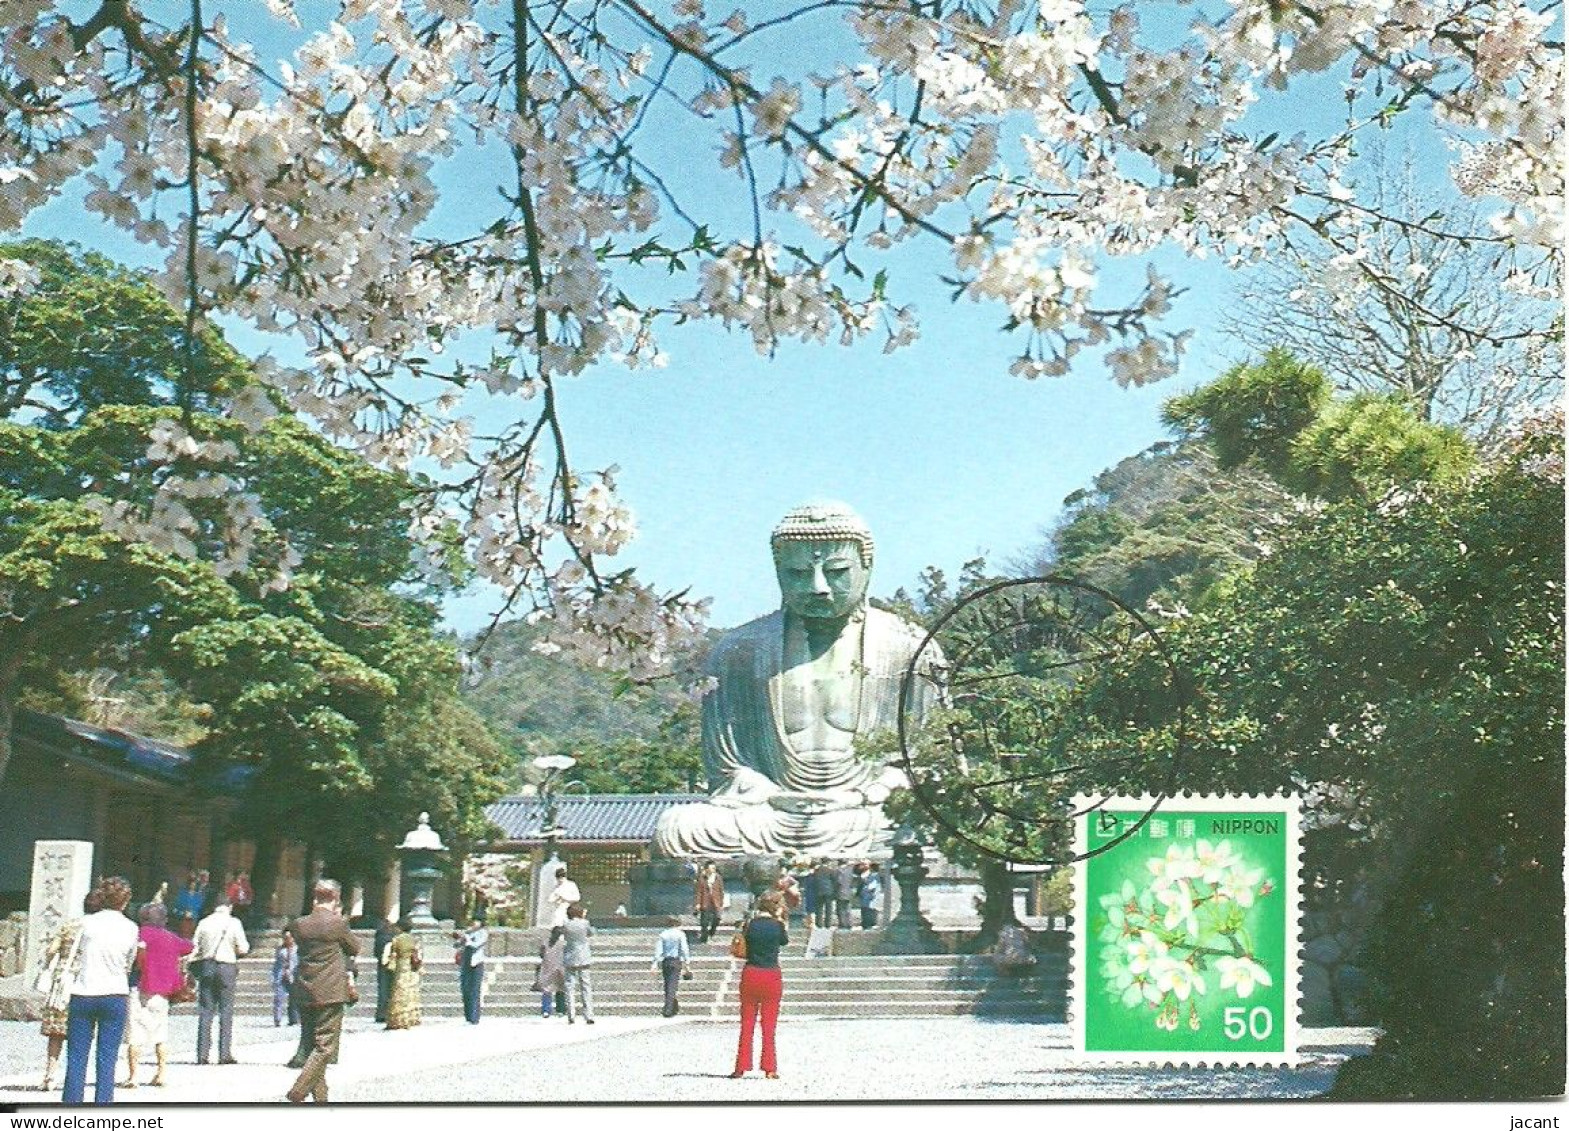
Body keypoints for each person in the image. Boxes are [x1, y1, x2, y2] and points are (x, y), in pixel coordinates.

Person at [653, 502, 943, 858]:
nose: (817, 587)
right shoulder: (738, 651)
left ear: (867, 567)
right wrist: (771, 794)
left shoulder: (910, 646)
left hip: (866, 812)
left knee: (932, 826)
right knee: (679, 826)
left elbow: (929, 762)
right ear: (778, 572)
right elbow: (728, 768)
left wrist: (875, 791)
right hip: (771, 813)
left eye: (836, 571)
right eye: (798, 574)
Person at [62, 877, 139, 1105]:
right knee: (107, 1056)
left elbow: (75, 954)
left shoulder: (86, 923)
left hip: (84, 990)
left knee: (76, 1055)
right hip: (115, 992)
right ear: (125, 902)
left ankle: (71, 1105)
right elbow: (130, 961)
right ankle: (103, 1105)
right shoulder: (131, 928)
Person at [287, 879, 360, 1104]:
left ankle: (321, 1099)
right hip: (330, 991)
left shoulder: (299, 924)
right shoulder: (338, 924)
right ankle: (299, 1090)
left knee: (311, 1046)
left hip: (304, 988)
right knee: (325, 1047)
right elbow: (355, 947)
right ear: (336, 898)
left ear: (314, 898)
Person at [122, 902, 192, 1089]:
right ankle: (161, 1073)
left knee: (135, 1033)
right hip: (162, 991)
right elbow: (188, 947)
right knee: (160, 1034)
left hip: (138, 986)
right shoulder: (170, 937)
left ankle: (134, 1076)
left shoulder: (137, 934)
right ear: (163, 919)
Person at [38, 890, 99, 1093]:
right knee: (81, 1033)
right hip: (85, 980)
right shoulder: (99, 929)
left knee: (55, 1032)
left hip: (61, 983)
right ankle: (74, 1076)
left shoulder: (69, 925)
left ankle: (50, 1075)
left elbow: (51, 950)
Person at [730, 890, 788, 1079]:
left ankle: (741, 1066)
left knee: (747, 1023)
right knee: (769, 1025)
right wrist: (781, 920)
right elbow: (784, 942)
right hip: (771, 974)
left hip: (751, 973)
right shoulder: (777, 926)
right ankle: (769, 1068)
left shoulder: (750, 925)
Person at [190, 896, 249, 1065]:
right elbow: (243, 948)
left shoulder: (204, 923)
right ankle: (224, 1054)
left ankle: (202, 1054)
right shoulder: (234, 923)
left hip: (207, 966)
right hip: (227, 967)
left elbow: (195, 947)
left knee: (206, 1010)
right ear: (229, 906)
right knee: (226, 1010)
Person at [383, 918, 423, 1030]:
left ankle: (399, 1019)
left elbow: (393, 955)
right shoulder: (414, 939)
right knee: (411, 991)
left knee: (399, 990)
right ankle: (412, 1017)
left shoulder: (397, 939)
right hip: (411, 967)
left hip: (401, 966)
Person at [561, 903, 595, 1024]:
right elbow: (591, 933)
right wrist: (584, 918)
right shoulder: (585, 923)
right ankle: (589, 1015)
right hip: (583, 956)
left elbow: (563, 935)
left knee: (569, 986)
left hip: (570, 956)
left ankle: (571, 1015)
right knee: (586, 986)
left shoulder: (566, 924)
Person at [652, 923, 691, 1017]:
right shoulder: (680, 934)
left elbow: (658, 950)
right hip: (676, 961)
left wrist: (655, 963)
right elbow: (684, 949)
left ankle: (673, 1007)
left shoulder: (663, 934)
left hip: (666, 961)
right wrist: (687, 962)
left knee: (667, 984)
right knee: (672, 985)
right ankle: (668, 1010)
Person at [456, 916, 488, 1024]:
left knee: (474, 990)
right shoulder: (468, 932)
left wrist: (467, 939)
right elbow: (457, 945)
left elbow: (475, 945)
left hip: (476, 963)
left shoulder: (483, 933)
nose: (474, 923)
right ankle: (467, 1016)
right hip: (465, 963)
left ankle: (474, 1017)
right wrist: (460, 939)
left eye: (476, 921)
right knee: (465, 989)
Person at [536, 927, 567, 1017]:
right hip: (560, 969)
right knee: (560, 990)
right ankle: (560, 1010)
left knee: (546, 990)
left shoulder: (545, 943)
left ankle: (546, 1010)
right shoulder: (563, 944)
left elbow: (541, 954)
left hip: (547, 968)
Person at [372, 916, 397, 1024]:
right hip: (392, 964)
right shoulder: (393, 937)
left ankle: (381, 1013)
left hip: (382, 965)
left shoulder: (379, 937)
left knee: (382, 989)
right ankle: (390, 1012)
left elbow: (375, 952)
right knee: (391, 989)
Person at [271, 930, 299, 1027]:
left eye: (289, 938)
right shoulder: (280, 949)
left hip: (293, 976)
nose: (287, 940)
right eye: (285, 938)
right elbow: (276, 964)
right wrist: (274, 977)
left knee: (294, 999)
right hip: (281, 976)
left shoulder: (297, 949)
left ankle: (293, 1019)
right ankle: (277, 1019)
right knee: (279, 998)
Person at [693, 862, 725, 943]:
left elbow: (721, 890)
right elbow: (699, 891)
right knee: (704, 922)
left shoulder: (718, 878)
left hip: (716, 902)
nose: (713, 869)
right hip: (705, 902)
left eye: (714, 868)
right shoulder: (702, 878)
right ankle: (704, 937)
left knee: (716, 919)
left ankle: (711, 932)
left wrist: (721, 903)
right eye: (711, 868)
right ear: (707, 869)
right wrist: (698, 903)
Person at [171, 872, 205, 940]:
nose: (193, 884)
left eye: (195, 882)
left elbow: (199, 909)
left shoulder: (199, 896)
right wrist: (183, 913)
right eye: (192, 881)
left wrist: (193, 915)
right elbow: (174, 909)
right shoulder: (182, 894)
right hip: (182, 921)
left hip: (193, 922)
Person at [811, 860, 837, 928]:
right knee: (828, 908)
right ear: (828, 862)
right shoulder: (830, 870)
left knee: (819, 908)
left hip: (819, 891)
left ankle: (819, 924)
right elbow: (834, 880)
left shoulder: (817, 870)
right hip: (829, 891)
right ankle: (828, 924)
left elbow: (814, 880)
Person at [835, 861, 858, 929]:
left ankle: (842, 924)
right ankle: (849, 923)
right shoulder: (850, 871)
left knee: (841, 909)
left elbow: (839, 881)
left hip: (841, 892)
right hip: (849, 892)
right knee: (848, 909)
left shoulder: (839, 871)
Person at [858, 862, 882, 929]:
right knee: (867, 910)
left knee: (868, 911)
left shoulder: (874, 876)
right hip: (868, 896)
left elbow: (871, 886)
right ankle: (867, 923)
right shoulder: (873, 876)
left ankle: (868, 923)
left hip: (869, 896)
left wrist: (865, 883)